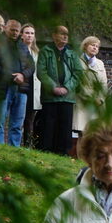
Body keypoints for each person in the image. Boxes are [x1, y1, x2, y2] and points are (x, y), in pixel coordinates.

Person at [37, 25, 81, 155]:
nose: (65, 36)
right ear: (54, 35)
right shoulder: (46, 51)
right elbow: (41, 72)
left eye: (67, 34)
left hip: (67, 97)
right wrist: (53, 87)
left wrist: (67, 87)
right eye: (62, 34)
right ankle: (46, 152)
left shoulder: (72, 53)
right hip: (50, 97)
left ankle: (63, 153)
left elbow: (78, 73)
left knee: (65, 127)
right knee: (48, 126)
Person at [0, 19, 34, 147]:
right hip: (2, 87)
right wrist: (10, 76)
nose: (14, 33)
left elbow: (31, 66)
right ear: (6, 28)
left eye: (17, 31)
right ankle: (0, 148)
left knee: (17, 123)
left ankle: (14, 150)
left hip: (21, 89)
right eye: (12, 30)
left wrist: (23, 75)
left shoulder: (23, 46)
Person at [74, 36, 108, 137]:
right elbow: (79, 84)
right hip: (83, 102)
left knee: (96, 134)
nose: (95, 48)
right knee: (83, 134)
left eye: (97, 46)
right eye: (92, 45)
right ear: (85, 46)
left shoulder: (100, 64)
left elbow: (104, 83)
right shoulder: (78, 61)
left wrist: (101, 98)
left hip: (98, 104)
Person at [19, 23, 41, 148]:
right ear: (22, 35)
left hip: (34, 89)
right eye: (27, 32)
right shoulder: (18, 50)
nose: (29, 35)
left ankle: (27, 145)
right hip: (22, 87)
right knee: (19, 118)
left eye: (32, 33)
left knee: (29, 120)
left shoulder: (36, 52)